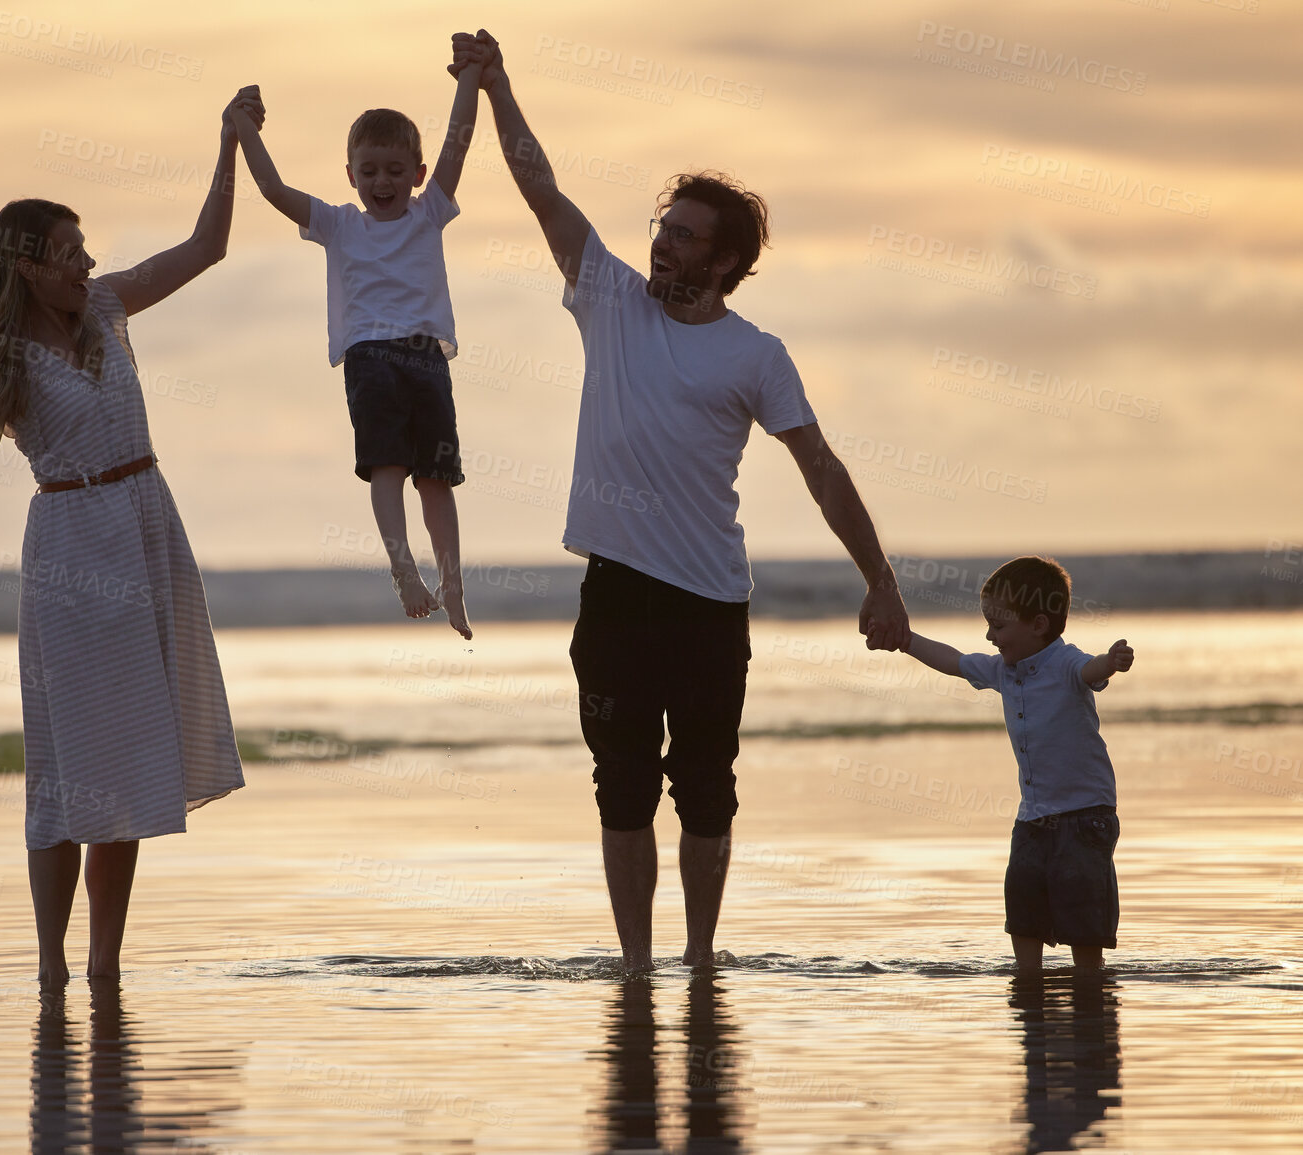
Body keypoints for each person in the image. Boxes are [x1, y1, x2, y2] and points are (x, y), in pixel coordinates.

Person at [453, 31, 911, 971]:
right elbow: (539, 188)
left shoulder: (755, 354)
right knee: (619, 786)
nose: (661, 242)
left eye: (683, 235)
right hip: (615, 593)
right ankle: (634, 964)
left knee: (705, 788)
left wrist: (882, 582)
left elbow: (820, 467)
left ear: (726, 261)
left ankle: (700, 958)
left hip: (709, 600)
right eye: (661, 227)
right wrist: (497, 87)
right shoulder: (609, 299)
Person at [0, 88, 264, 984]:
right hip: (72, 553)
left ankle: (107, 962)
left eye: (85, 250)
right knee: (70, 771)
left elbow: (206, 248)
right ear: (29, 266)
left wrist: (229, 142)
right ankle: (51, 966)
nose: (86, 264)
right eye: (70, 252)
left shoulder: (110, 307)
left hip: (147, 527)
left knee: (126, 766)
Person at [225, 48, 487, 639]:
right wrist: (243, 127)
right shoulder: (340, 224)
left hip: (425, 356)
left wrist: (470, 77)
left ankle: (454, 583)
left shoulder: (429, 214)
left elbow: (459, 141)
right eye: (369, 170)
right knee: (387, 466)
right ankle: (404, 570)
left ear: (417, 175)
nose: (382, 182)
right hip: (371, 358)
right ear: (350, 174)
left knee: (438, 477)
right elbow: (271, 188)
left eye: (396, 170)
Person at [900, 556, 1134, 975]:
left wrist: (1111, 661)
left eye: (999, 626)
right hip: (1033, 816)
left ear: (1039, 625)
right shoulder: (1004, 671)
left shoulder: (1065, 663)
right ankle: (1027, 973)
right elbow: (952, 660)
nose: (990, 636)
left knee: (1083, 911)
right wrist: (905, 639)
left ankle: (1089, 977)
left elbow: (1090, 669)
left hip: (1084, 815)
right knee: (1023, 897)